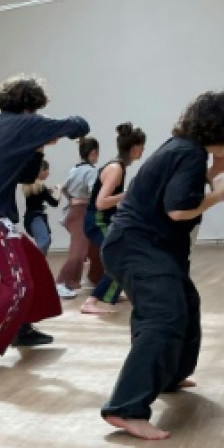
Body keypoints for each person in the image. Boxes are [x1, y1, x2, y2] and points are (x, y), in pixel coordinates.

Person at [100, 92, 224, 440]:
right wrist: (218, 193)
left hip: (145, 246)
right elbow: (178, 209)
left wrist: (218, 168)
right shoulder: (188, 152)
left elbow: (175, 190)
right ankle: (126, 408)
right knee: (163, 317)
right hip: (138, 246)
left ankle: (169, 375)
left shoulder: (183, 148)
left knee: (185, 303)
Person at [0, 76, 89, 374]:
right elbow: (79, 124)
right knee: (19, 283)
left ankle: (21, 327)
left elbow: (26, 176)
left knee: (34, 259)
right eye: (36, 110)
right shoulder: (20, 124)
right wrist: (47, 133)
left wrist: (38, 148)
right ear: (28, 107)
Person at [80, 124, 146, 316]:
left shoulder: (119, 166)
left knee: (124, 252)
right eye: (142, 147)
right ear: (134, 148)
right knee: (118, 256)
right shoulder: (116, 168)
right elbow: (101, 203)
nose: (142, 151)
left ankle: (113, 294)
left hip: (103, 220)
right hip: (97, 221)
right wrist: (127, 194)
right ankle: (91, 301)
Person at [55, 138, 99, 298]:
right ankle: (61, 282)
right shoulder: (91, 171)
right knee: (79, 250)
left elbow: (64, 188)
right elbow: (95, 192)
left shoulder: (74, 169)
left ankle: (96, 278)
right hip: (81, 212)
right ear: (93, 152)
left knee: (94, 246)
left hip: (74, 211)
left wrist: (74, 199)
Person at [20, 159, 59, 254]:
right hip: (36, 219)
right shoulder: (41, 187)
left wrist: (47, 192)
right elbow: (55, 203)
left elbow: (37, 196)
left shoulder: (30, 186)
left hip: (30, 218)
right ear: (40, 171)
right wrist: (60, 191)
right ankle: (34, 260)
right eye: (46, 170)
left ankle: (39, 263)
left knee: (45, 240)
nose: (48, 173)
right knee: (44, 241)